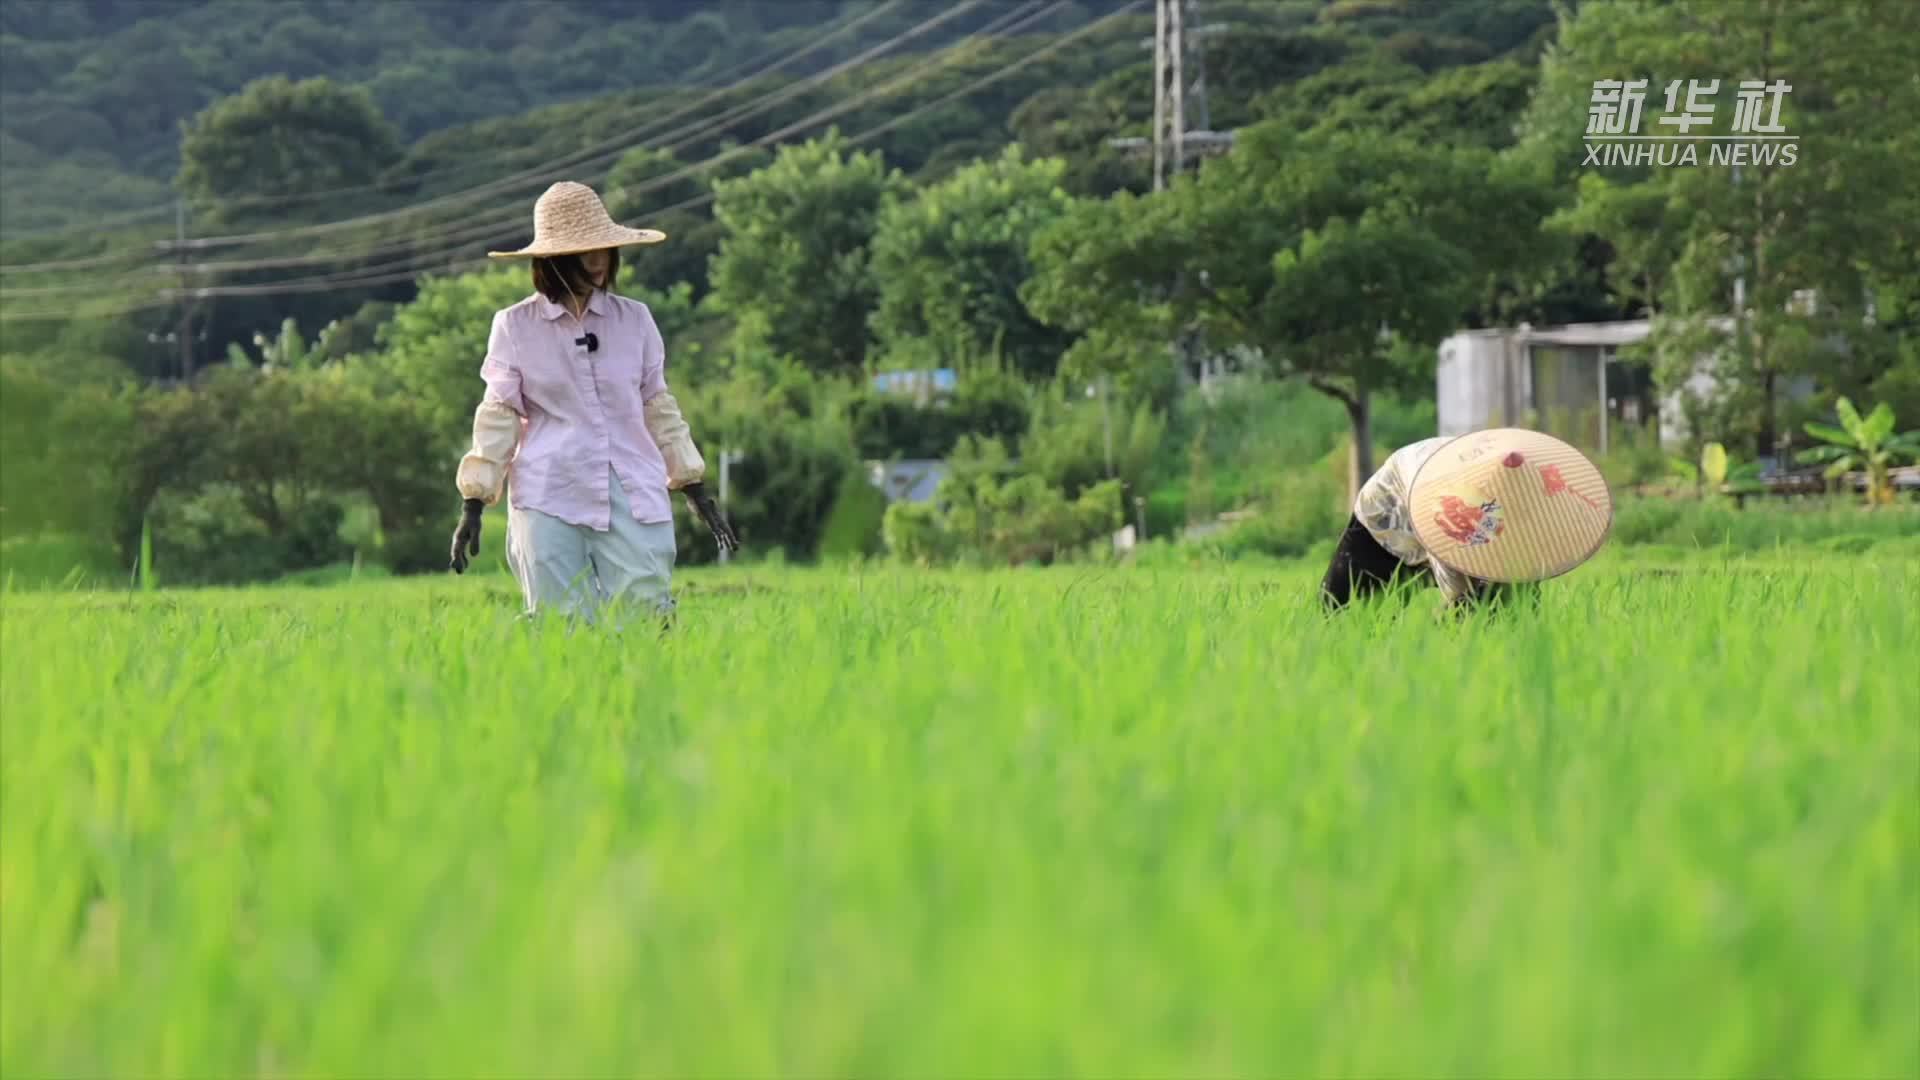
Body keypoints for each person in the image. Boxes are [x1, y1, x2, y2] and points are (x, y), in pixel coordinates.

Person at [447, 180, 737, 625]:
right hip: (550, 490)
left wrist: (693, 486)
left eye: (604, 249)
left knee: (647, 614)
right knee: (561, 622)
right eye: (586, 252)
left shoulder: (634, 320)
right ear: (555, 259)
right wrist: (474, 501)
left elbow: (657, 405)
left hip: (630, 486)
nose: (599, 261)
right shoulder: (515, 326)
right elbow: (499, 414)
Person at [1321, 427, 1613, 613]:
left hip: (1473, 511)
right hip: (1389, 518)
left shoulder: (1527, 495)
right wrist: (1459, 606)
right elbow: (1450, 567)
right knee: (1339, 613)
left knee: (1511, 605)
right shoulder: (1450, 503)